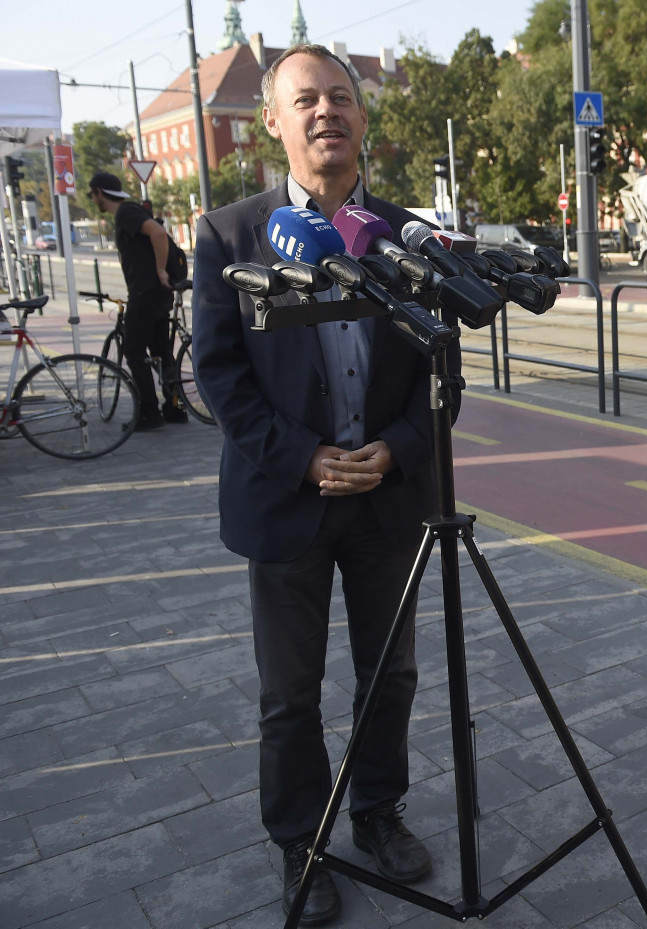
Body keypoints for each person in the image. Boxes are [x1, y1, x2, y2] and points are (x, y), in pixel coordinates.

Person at [192, 44, 457, 925]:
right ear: (273, 121)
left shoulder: (407, 235)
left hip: (386, 499)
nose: (325, 111)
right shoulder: (228, 234)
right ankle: (300, 846)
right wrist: (304, 456)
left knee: (393, 675)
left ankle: (379, 812)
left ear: (362, 115)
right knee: (288, 695)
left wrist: (396, 448)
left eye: (340, 97)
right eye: (304, 99)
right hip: (288, 502)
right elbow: (222, 380)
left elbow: (442, 379)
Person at [88, 172, 186, 429]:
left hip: (145, 295)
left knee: (133, 352)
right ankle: (174, 408)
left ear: (99, 192)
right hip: (157, 295)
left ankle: (149, 413)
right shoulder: (130, 212)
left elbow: (158, 234)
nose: (92, 200)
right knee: (161, 351)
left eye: (92, 195)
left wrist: (161, 269)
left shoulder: (125, 213)